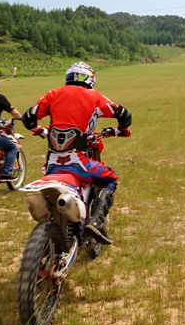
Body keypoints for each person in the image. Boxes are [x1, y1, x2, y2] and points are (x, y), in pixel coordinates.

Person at [22, 62, 132, 244]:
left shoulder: (52, 94)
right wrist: (121, 129)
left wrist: (41, 131)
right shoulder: (94, 96)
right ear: (90, 79)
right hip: (79, 162)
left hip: (52, 164)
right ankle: (96, 222)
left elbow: (28, 118)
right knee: (110, 179)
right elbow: (124, 114)